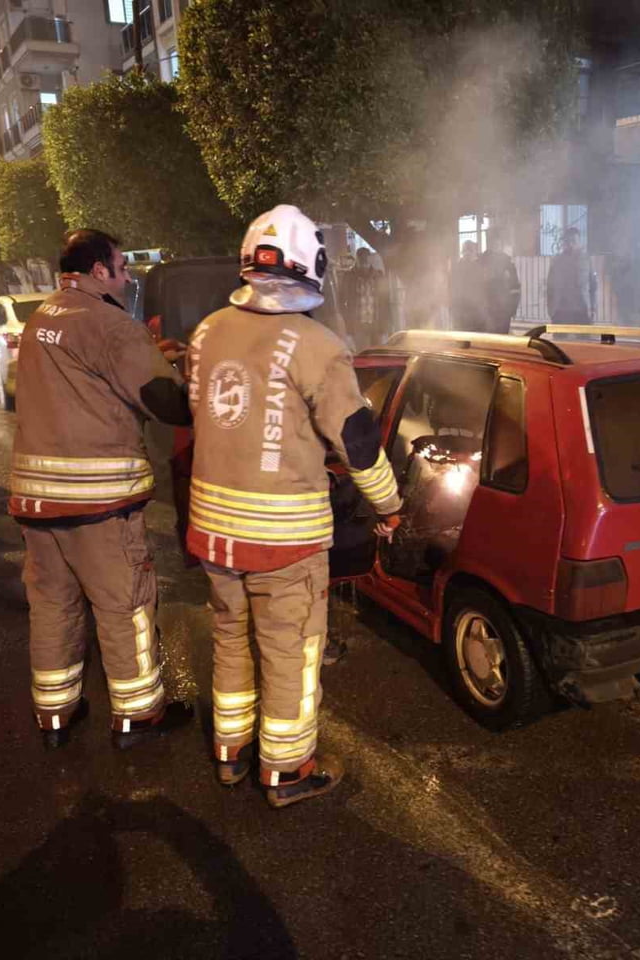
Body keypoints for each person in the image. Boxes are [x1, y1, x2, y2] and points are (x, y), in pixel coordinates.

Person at [185, 204, 403, 808]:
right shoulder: (319, 346)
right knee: (290, 655)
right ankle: (286, 769)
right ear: (314, 268)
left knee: (231, 640)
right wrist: (388, 506)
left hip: (213, 534)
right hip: (284, 541)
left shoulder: (206, 333)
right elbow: (357, 444)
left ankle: (231, 754)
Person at [9, 228, 195, 751]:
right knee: (124, 606)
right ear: (98, 271)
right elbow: (165, 402)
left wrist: (148, 353)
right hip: (98, 503)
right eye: (121, 265)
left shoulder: (43, 316)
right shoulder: (111, 324)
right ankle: (139, 717)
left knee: (53, 606)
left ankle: (55, 715)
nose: (128, 274)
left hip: (38, 503)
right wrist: (185, 381)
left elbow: (86, 377)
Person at [545, 226, 596, 324]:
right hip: (561, 311)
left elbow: (593, 286)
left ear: (579, 242)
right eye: (568, 242)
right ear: (564, 243)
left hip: (581, 311)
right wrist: (551, 310)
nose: (571, 245)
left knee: (584, 339)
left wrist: (593, 308)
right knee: (559, 339)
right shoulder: (557, 262)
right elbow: (550, 288)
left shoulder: (586, 260)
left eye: (574, 241)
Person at [478, 234, 520, 335]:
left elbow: (515, 288)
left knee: (502, 335)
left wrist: (513, 308)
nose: (496, 246)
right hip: (488, 307)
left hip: (503, 308)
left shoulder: (507, 263)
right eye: (494, 244)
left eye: (498, 244)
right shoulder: (481, 262)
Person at [448, 240, 488, 332]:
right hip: (464, 306)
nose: (468, 253)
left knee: (465, 333)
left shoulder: (476, 267)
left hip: (471, 307)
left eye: (470, 251)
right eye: (467, 250)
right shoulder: (460, 267)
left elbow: (482, 287)